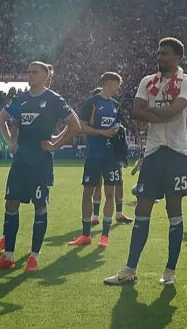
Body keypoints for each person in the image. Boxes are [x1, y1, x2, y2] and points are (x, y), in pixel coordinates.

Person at [104, 37, 187, 287]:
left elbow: (174, 111)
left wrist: (154, 113)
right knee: (142, 208)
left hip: (178, 152)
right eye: (158, 53)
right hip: (154, 152)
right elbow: (136, 113)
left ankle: (169, 270)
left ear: (177, 56)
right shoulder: (148, 81)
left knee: (173, 211)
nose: (160, 57)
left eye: (165, 53)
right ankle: (130, 268)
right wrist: (165, 112)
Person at [0, 61, 81, 272]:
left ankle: (34, 256)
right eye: (28, 72)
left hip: (41, 162)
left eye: (34, 72)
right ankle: (8, 256)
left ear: (45, 75)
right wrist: (11, 142)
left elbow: (75, 124)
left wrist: (55, 144)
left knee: (40, 206)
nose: (29, 75)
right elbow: (2, 119)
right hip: (21, 160)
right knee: (11, 203)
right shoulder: (21, 99)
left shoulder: (54, 100)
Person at [70, 73, 123, 248]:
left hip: (110, 157)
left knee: (110, 194)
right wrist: (102, 132)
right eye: (117, 84)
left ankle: (105, 235)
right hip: (93, 155)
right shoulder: (91, 103)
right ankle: (86, 235)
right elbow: (80, 127)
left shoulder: (116, 105)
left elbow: (116, 126)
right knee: (88, 193)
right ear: (108, 84)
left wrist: (116, 131)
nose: (118, 88)